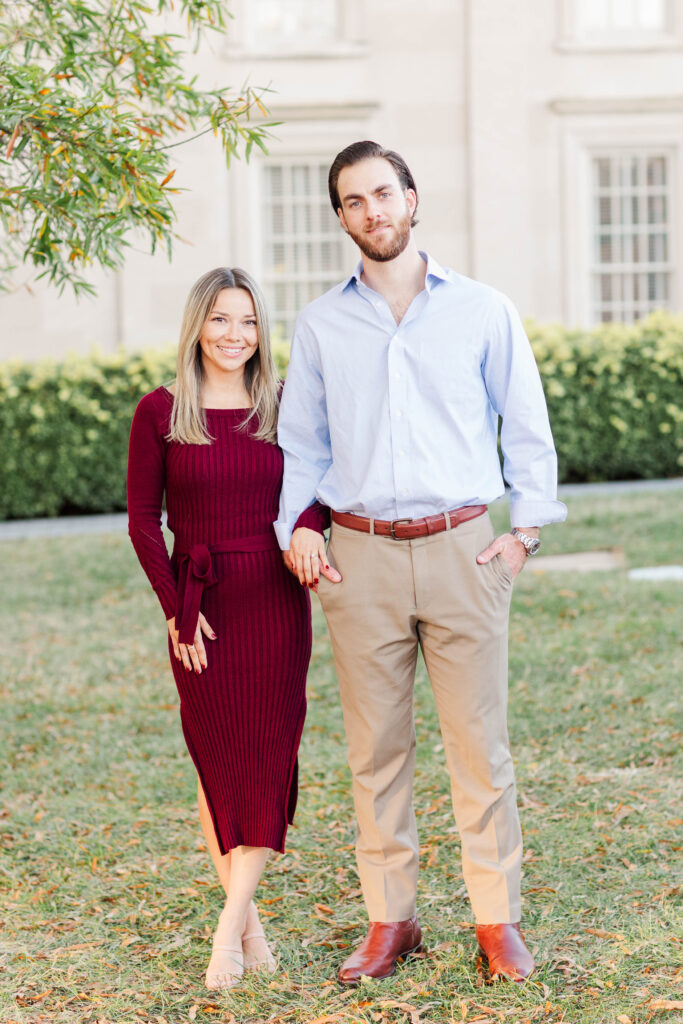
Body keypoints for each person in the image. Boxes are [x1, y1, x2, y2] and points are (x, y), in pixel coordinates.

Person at [275, 141, 567, 984]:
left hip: (462, 551)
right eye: (352, 201)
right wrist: (297, 524)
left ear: (411, 199)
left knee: (479, 748)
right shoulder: (322, 323)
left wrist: (524, 535)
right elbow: (302, 444)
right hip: (357, 559)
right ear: (340, 218)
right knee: (375, 753)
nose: (372, 211)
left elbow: (526, 430)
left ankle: (495, 921)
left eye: (382, 194)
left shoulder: (482, 309)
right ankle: (389, 920)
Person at [127, 267, 326, 990]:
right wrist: (174, 606)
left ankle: (227, 931)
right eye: (219, 320)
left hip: (274, 599)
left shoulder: (281, 405)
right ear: (196, 326)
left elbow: (315, 490)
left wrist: (307, 527)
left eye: (246, 322)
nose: (233, 335)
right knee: (217, 765)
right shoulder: (160, 411)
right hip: (199, 604)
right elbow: (142, 521)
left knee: (268, 760)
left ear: (260, 331)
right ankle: (249, 927)